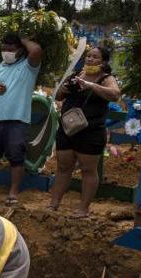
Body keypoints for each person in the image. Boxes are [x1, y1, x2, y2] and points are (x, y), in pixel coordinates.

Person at [49, 46, 121, 218]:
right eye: (88, 56)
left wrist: (90, 85)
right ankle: (54, 203)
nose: (89, 59)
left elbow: (115, 94)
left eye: (94, 57)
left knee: (88, 170)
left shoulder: (106, 78)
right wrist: (65, 88)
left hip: (91, 131)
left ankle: (83, 209)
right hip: (68, 128)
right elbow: (58, 96)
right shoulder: (75, 75)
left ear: (103, 62)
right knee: (63, 167)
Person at [0, 34, 43, 205]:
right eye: (3, 49)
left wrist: (21, 38)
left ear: (21, 51)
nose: (6, 52)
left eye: (11, 49)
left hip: (18, 119)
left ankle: (13, 191)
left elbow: (36, 50)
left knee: (16, 156)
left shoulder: (28, 67)